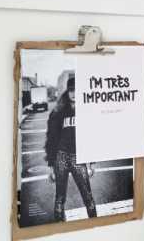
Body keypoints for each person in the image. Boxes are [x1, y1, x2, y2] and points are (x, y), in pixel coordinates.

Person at [45, 77, 97, 221]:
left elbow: (91, 137)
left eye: (76, 90)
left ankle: (95, 225)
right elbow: (51, 140)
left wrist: (92, 164)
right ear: (67, 92)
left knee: (88, 196)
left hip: (78, 157)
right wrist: (51, 167)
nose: (74, 93)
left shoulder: (87, 110)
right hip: (61, 157)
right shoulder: (58, 111)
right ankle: (59, 227)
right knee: (60, 198)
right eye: (71, 90)